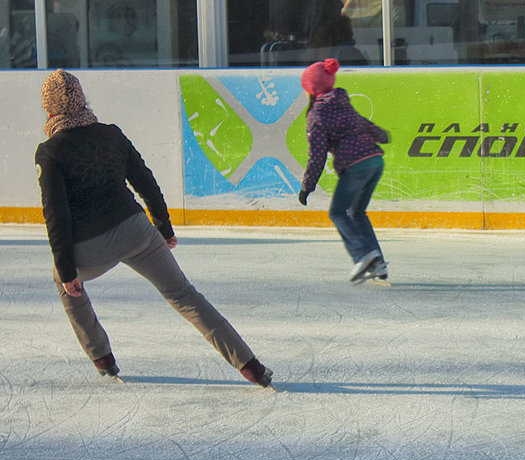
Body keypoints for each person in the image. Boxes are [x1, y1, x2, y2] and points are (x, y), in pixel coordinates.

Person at [35, 70, 272, 388]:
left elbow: (56, 214)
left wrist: (66, 271)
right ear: (82, 101)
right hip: (138, 233)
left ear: (50, 109)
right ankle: (250, 365)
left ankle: (102, 358)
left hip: (91, 247)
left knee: (63, 282)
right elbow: (144, 180)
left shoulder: (50, 152)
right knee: (185, 296)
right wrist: (163, 226)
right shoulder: (111, 134)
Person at [297, 58, 390, 284]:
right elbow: (363, 123)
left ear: (311, 90)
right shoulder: (342, 103)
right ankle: (377, 264)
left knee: (337, 212)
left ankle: (364, 255)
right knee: (357, 213)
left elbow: (317, 156)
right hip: (375, 162)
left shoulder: (317, 115)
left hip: (355, 166)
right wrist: (381, 136)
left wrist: (306, 187)